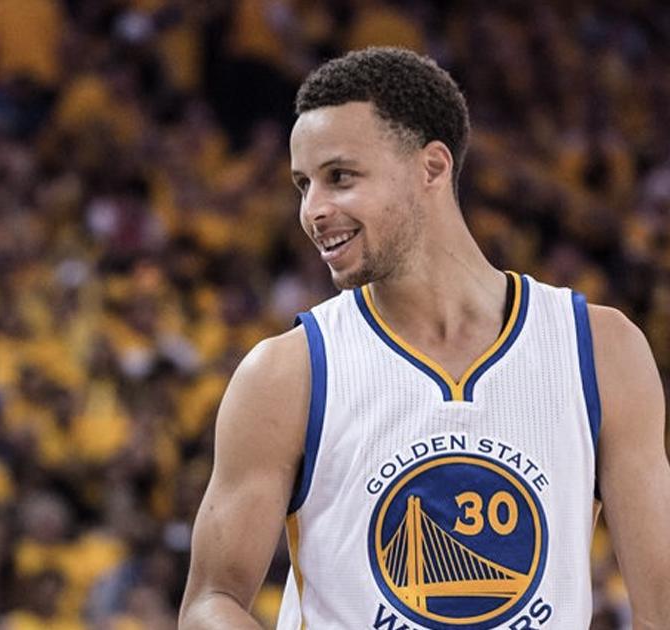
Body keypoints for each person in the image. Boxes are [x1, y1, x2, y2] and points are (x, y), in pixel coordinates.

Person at [179, 47, 670, 629]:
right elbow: (210, 600)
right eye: (302, 185)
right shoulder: (288, 373)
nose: (313, 210)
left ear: (432, 168)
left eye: (340, 177)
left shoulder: (602, 350)